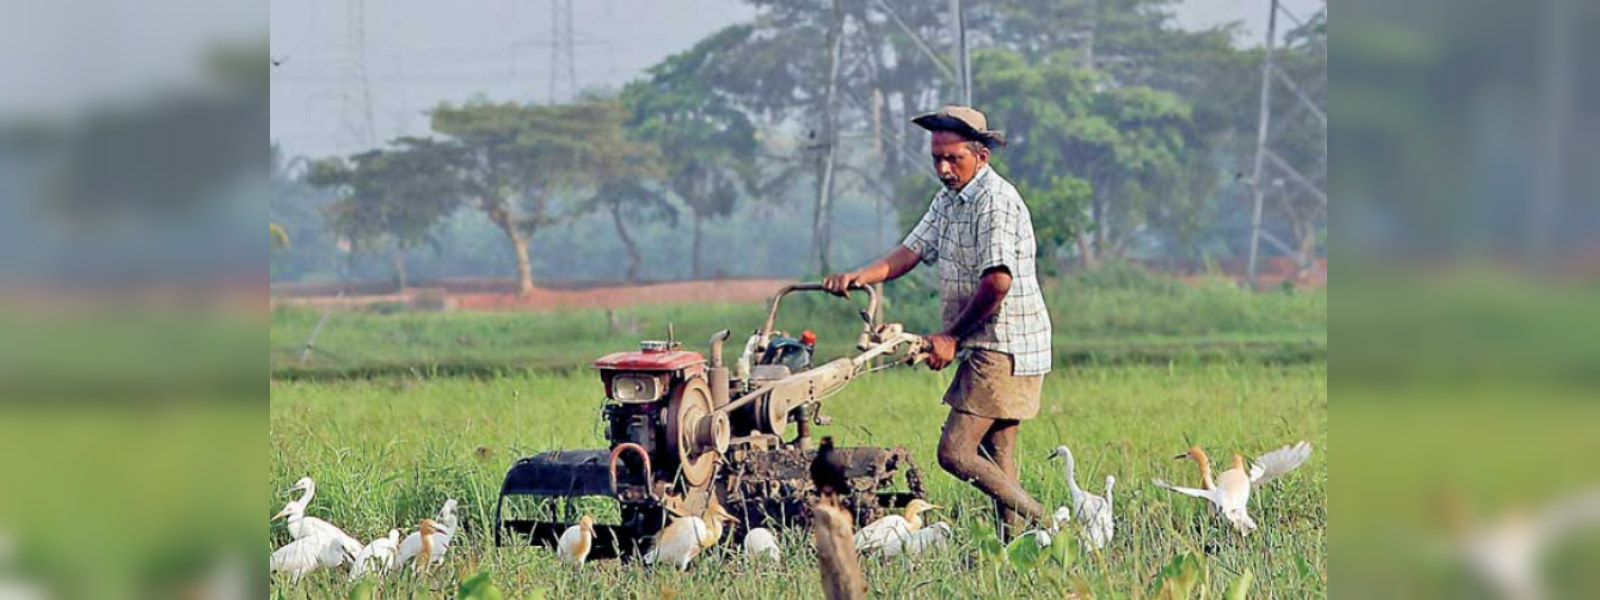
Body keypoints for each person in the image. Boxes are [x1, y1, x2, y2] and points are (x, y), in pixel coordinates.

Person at [823, 105, 1053, 537]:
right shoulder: (950, 198)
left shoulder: (995, 202)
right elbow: (912, 250)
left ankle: (1052, 525)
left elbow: (998, 283)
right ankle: (1019, 548)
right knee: (997, 455)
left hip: (1004, 344)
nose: (944, 169)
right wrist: (860, 276)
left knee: (955, 452)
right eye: (937, 159)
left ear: (980, 156)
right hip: (984, 342)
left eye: (954, 159)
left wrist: (949, 337)